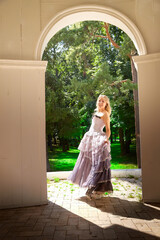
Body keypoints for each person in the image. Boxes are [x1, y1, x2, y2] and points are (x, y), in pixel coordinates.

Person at [68, 94, 113, 199]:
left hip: (98, 138)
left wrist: (106, 139)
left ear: (106, 103)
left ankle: (93, 188)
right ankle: (90, 186)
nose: (100, 102)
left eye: (103, 101)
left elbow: (108, 130)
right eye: (99, 100)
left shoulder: (105, 114)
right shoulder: (96, 112)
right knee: (86, 162)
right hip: (90, 138)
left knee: (99, 165)